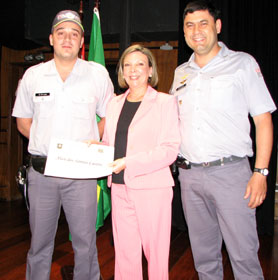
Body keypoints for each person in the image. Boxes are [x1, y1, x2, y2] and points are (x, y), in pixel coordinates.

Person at [170, 1, 277, 279]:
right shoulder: (181, 72)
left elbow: (263, 120)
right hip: (190, 178)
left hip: (231, 175)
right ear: (183, 32)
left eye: (203, 23)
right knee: (204, 258)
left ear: (217, 26)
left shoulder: (242, 63)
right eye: (189, 25)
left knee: (243, 256)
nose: (197, 31)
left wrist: (260, 172)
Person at [12, 10, 114, 280]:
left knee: (85, 245)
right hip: (42, 174)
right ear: (51, 39)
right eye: (61, 33)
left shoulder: (98, 74)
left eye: (74, 34)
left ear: (82, 42)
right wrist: (45, 143)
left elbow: (109, 116)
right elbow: (23, 122)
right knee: (39, 246)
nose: (67, 39)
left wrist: (94, 138)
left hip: (81, 176)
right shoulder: (33, 76)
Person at [102, 44, 180, 279]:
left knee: (155, 255)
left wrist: (128, 162)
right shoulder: (114, 103)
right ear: (122, 72)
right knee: (125, 255)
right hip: (118, 186)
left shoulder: (165, 102)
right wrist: (93, 149)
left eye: (139, 64)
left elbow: (169, 150)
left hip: (153, 188)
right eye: (127, 65)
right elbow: (109, 144)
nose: (133, 70)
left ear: (150, 70)